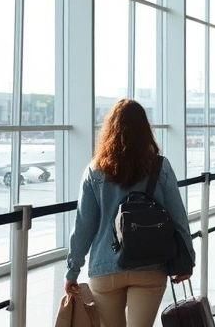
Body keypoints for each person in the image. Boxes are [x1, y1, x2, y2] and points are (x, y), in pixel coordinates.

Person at [65, 99, 195, 327]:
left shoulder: (94, 170)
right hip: (151, 265)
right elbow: (178, 217)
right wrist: (187, 261)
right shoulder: (160, 167)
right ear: (146, 130)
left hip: (105, 267)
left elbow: (84, 226)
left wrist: (72, 270)